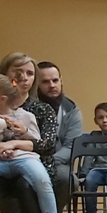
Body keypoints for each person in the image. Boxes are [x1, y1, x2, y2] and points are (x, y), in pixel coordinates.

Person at [0, 53, 65, 213]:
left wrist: (16, 143)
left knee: (26, 187)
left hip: (34, 164)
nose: (25, 78)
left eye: (30, 73)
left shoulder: (41, 109)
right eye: (18, 73)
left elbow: (47, 145)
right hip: (1, 163)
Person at [36, 61, 83, 191]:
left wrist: (50, 161)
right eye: (45, 82)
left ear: (61, 81)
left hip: (58, 163)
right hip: (29, 160)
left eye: (55, 80)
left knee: (68, 180)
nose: (52, 85)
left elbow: (71, 146)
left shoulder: (72, 110)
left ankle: (55, 207)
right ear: (36, 84)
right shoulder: (28, 107)